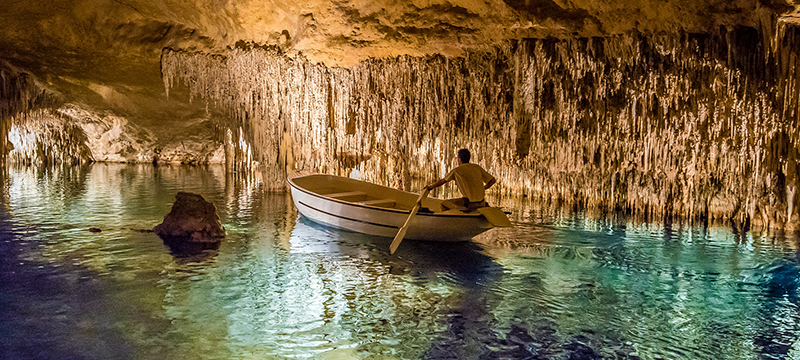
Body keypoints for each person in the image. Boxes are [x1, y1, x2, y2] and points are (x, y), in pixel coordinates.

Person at [425, 148, 496, 212]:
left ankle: (459, 216)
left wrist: (430, 187)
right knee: (463, 201)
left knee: (444, 204)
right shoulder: (477, 168)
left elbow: (442, 182)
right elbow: (492, 180)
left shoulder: (457, 171)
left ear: (459, 159)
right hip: (482, 203)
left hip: (469, 204)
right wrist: (484, 188)